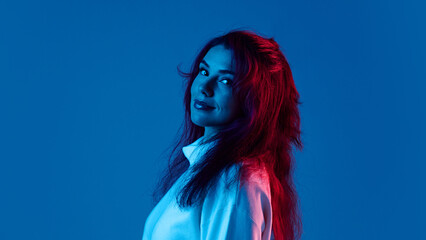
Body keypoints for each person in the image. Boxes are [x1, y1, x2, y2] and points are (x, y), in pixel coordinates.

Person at [142, 29, 303, 240]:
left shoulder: (235, 180)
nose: (204, 88)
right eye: (204, 71)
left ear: (254, 99)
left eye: (226, 81)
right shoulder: (209, 168)